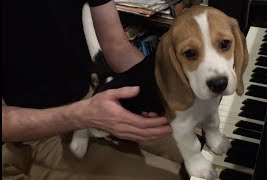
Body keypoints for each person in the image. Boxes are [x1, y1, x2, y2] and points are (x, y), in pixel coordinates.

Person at [2, 0, 181, 179]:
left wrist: (161, 89)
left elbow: (118, 48)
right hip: (30, 132)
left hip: (90, 98)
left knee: (198, 155)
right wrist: (82, 115)